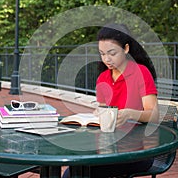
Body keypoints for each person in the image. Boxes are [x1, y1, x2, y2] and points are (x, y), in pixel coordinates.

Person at [63, 23, 159, 178]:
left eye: (112, 53)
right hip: (107, 147)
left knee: (75, 173)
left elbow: (154, 114)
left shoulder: (140, 72)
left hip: (136, 151)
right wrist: (98, 114)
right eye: (102, 54)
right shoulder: (103, 78)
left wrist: (129, 114)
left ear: (126, 49)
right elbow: (103, 111)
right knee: (75, 167)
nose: (106, 59)